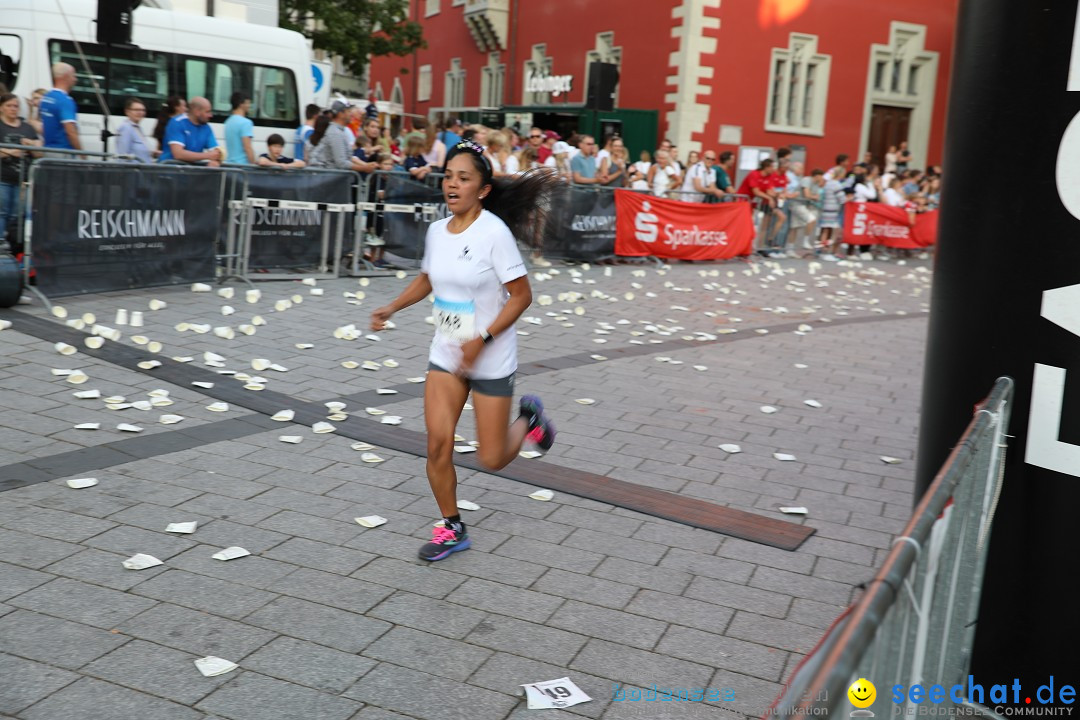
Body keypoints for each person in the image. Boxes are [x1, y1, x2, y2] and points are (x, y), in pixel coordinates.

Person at [369, 140, 560, 562]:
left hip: (491, 355)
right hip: (448, 353)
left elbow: (521, 296)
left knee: (492, 458)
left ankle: (528, 420)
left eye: (464, 178)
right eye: (449, 176)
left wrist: (483, 340)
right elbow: (428, 278)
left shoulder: (494, 234)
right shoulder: (438, 230)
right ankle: (451, 526)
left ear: (483, 189)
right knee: (438, 444)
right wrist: (392, 305)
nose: (452, 185)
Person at [0, 92, 41, 244]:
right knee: (2, 212)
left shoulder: (27, 128)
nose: (13, 109)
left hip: (22, 179)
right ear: (1, 108)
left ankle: (12, 247)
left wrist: (30, 145)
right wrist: (10, 152)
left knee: (17, 214)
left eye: (16, 106)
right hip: (2, 178)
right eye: (9, 105)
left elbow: (39, 153)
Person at [158, 97, 221, 165]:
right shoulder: (177, 123)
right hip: (169, 172)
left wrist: (216, 161)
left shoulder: (206, 128)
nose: (211, 115)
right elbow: (178, 154)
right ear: (197, 111)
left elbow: (217, 152)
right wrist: (208, 155)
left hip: (190, 173)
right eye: (207, 112)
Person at [40, 63, 81, 152]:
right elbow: (71, 132)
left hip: (47, 149)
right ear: (66, 76)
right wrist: (82, 154)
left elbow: (43, 126)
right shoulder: (65, 101)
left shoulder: (46, 97)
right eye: (73, 76)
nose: (75, 80)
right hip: (63, 151)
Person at [114, 97, 152, 163]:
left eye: (143, 110)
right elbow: (122, 155)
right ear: (127, 112)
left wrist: (151, 153)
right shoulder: (126, 128)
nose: (140, 112)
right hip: (133, 171)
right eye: (136, 110)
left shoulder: (138, 128)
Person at [224, 91, 255, 165]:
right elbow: (247, 148)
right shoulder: (246, 123)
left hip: (230, 165)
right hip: (242, 167)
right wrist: (253, 164)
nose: (249, 106)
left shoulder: (228, 122)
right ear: (241, 104)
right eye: (248, 103)